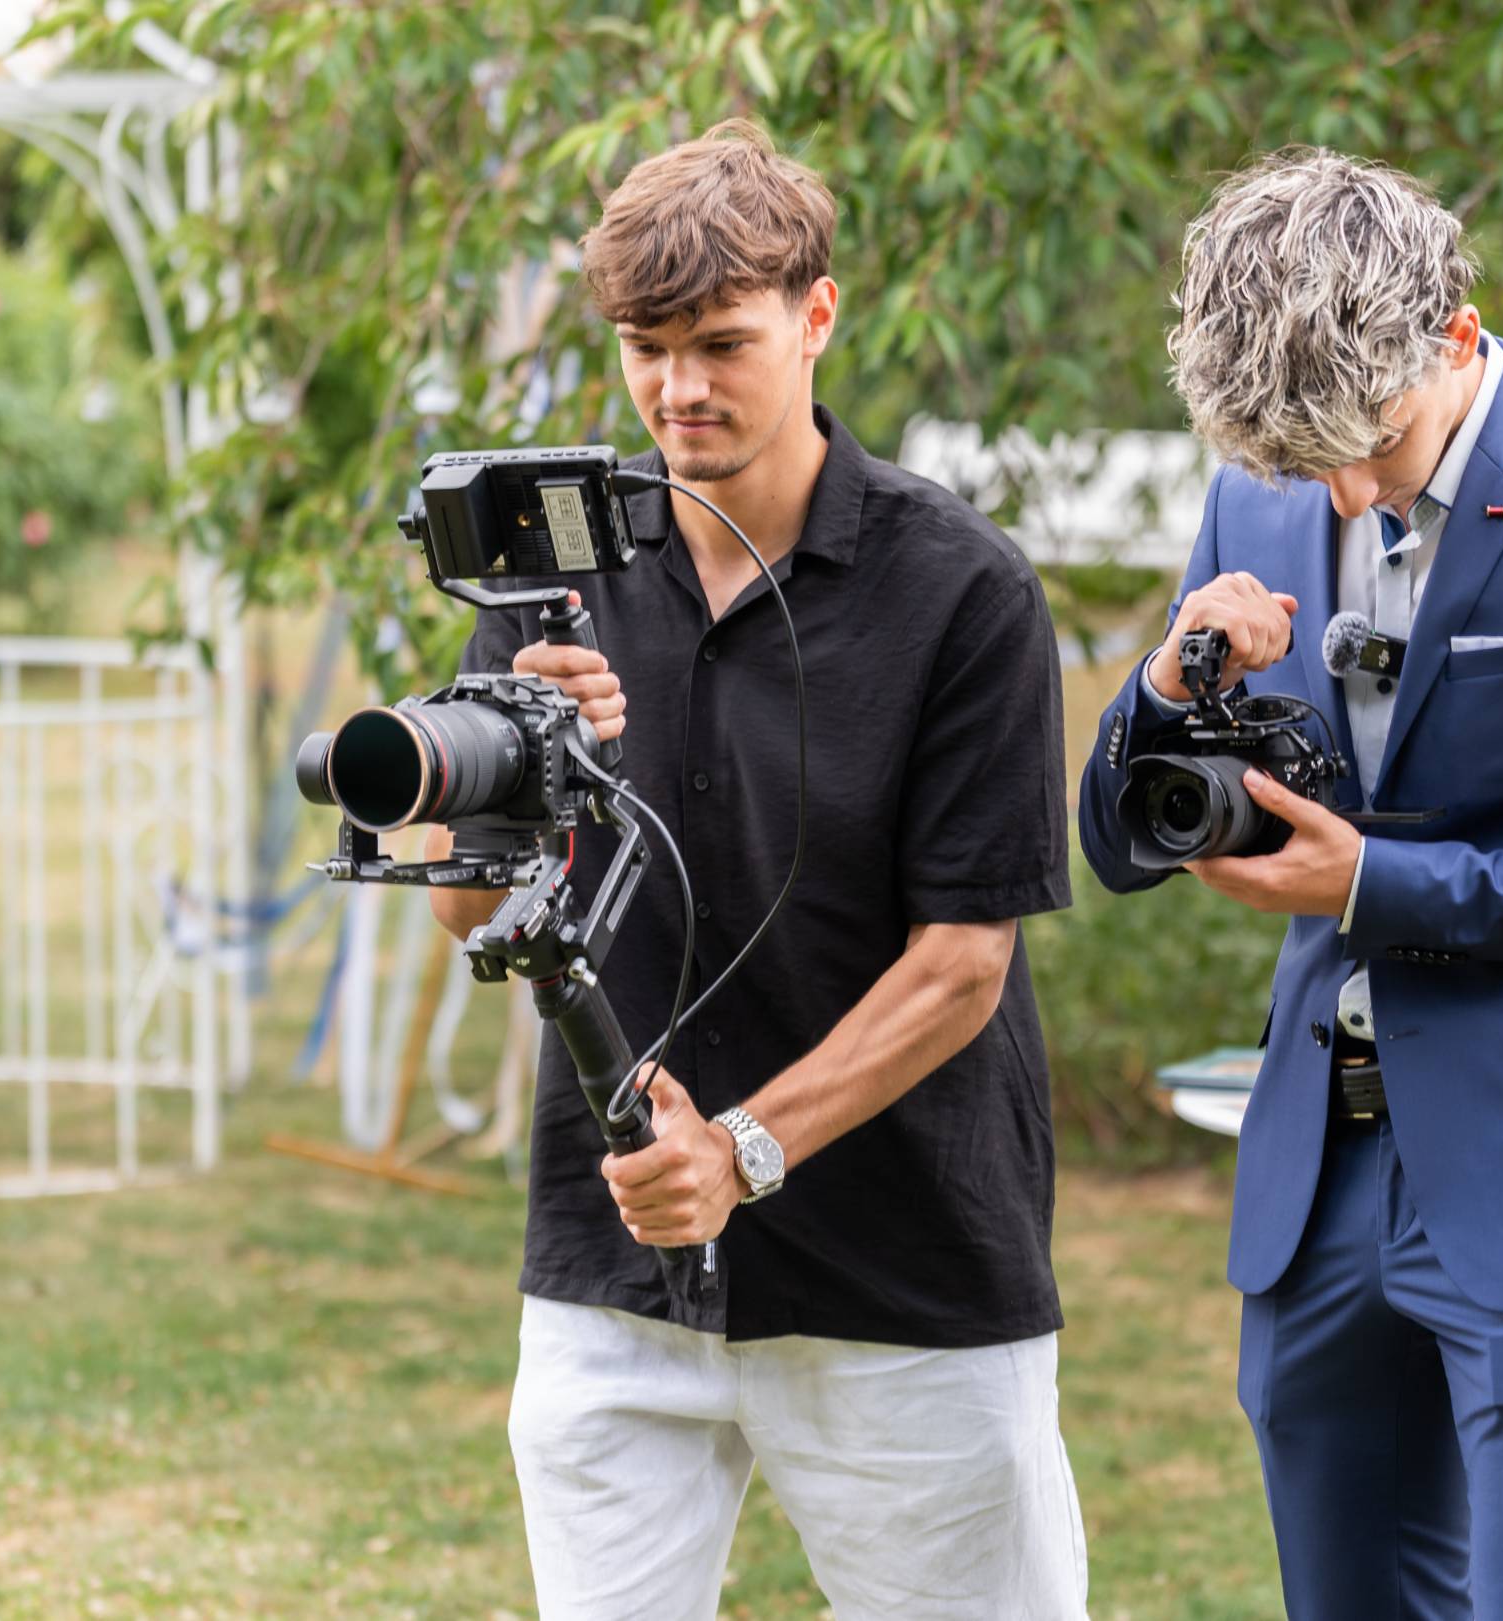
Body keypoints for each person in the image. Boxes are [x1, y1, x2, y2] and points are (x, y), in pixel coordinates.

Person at [1078, 148, 1503, 1619]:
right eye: (1291, 460)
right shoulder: (1258, 492)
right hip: (1313, 1184)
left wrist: (1373, 884)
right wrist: (1161, 678)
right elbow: (1114, 843)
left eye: (1368, 446)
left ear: (1452, 338)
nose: (1334, 488)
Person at [427, 120, 1086, 1620]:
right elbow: (468, 906)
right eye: (645, 347)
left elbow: (961, 963)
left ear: (819, 315)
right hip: (614, 1270)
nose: (678, 390)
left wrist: (742, 1152)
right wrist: (525, 770)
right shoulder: (552, 570)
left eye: (720, 342)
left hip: (904, 1271)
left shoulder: (962, 589)